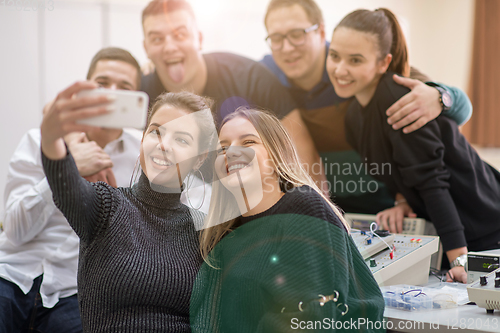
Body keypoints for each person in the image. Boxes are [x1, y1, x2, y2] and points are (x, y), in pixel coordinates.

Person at [261, 0, 473, 232]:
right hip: (338, 210)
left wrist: (441, 97)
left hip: (393, 208)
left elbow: (462, 109)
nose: (287, 47)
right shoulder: (268, 79)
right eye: (276, 38)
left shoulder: (360, 64)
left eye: (297, 34)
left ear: (321, 31)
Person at [327, 8, 500, 283]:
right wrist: (402, 199)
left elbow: (432, 182)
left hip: (486, 226)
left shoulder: (397, 101)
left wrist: (460, 259)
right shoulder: (355, 116)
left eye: (355, 60)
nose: (340, 69)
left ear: (383, 63)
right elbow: (400, 168)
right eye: (334, 56)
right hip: (457, 233)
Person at [190, 109, 384, 332]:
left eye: (248, 142)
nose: (231, 152)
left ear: (275, 156)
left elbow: (312, 318)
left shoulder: (303, 209)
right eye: (223, 148)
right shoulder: (225, 231)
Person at [40, 89, 216, 331]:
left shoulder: (205, 231)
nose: (163, 145)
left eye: (182, 139)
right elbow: (65, 182)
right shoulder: (105, 206)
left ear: (199, 158)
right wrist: (51, 137)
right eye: (156, 132)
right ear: (143, 138)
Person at [0, 47, 143, 332]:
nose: (111, 94)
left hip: (75, 291)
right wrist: (65, 168)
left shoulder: (144, 154)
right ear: (85, 90)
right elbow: (14, 231)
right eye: (102, 84)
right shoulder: (41, 140)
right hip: (12, 274)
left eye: (124, 88)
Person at [140, 0, 330, 195]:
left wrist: (312, 218)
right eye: (157, 39)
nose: (169, 47)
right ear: (146, 47)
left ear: (199, 37)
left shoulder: (251, 77)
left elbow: (301, 157)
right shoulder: (140, 94)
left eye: (180, 34)